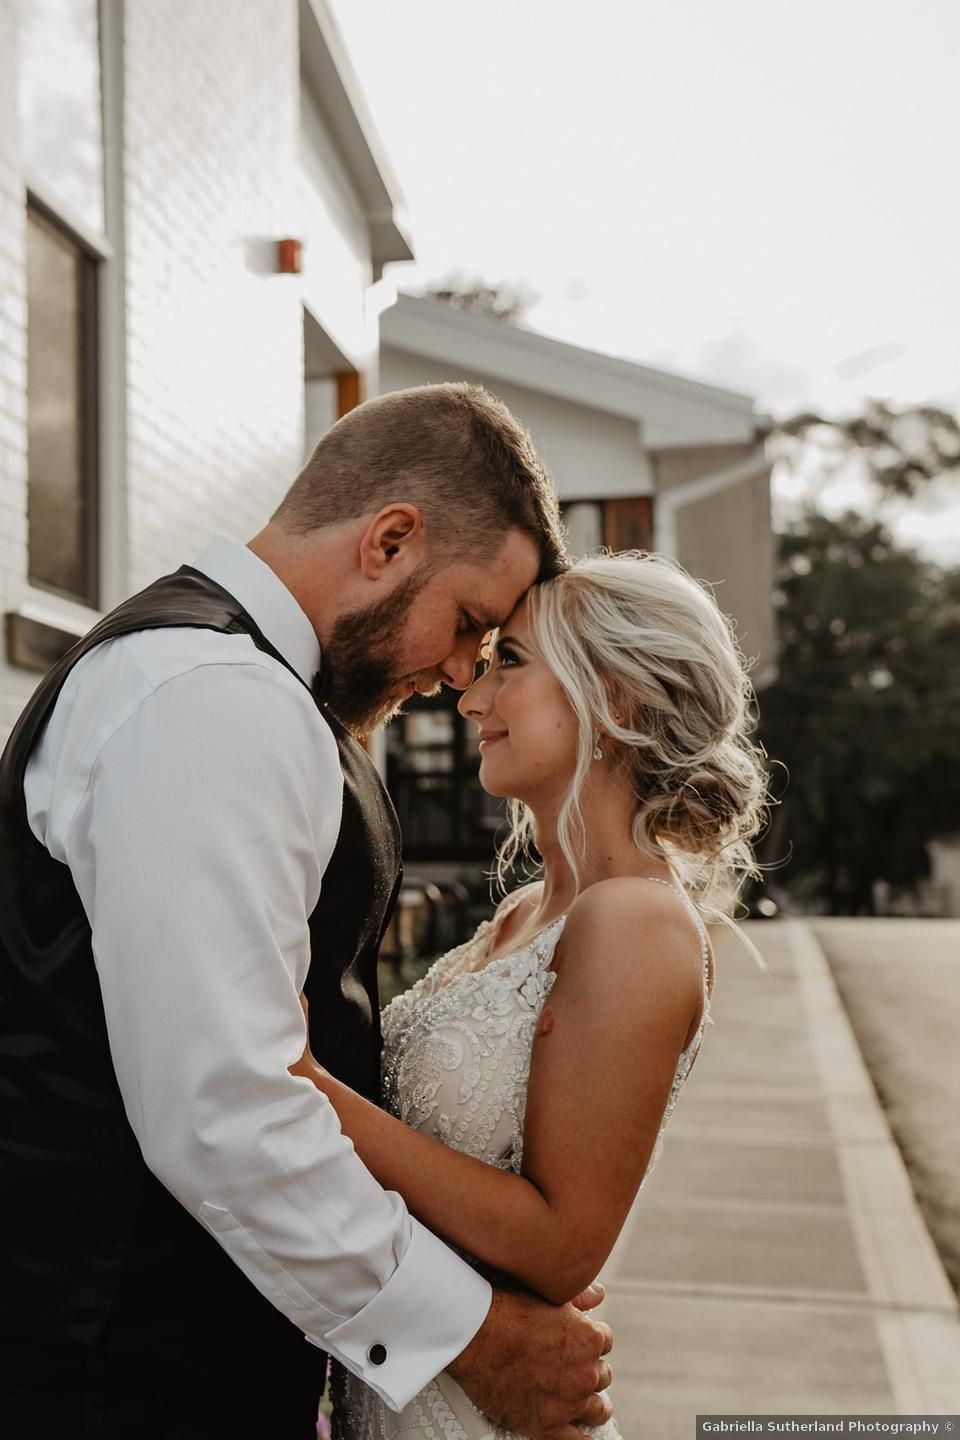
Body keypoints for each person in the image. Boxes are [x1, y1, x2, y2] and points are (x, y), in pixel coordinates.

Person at [0, 383, 614, 1439]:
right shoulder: (212, 694)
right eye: (468, 621)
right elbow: (227, 1106)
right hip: (116, 1379)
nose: (464, 671)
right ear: (388, 540)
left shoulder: (243, 688)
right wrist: (474, 1337)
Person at [290, 550, 770, 1439]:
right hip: (406, 1390)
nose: (471, 700)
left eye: (508, 663)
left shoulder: (634, 923)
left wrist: (311, 1090)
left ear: (615, 697)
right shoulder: (521, 912)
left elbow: (559, 1248)